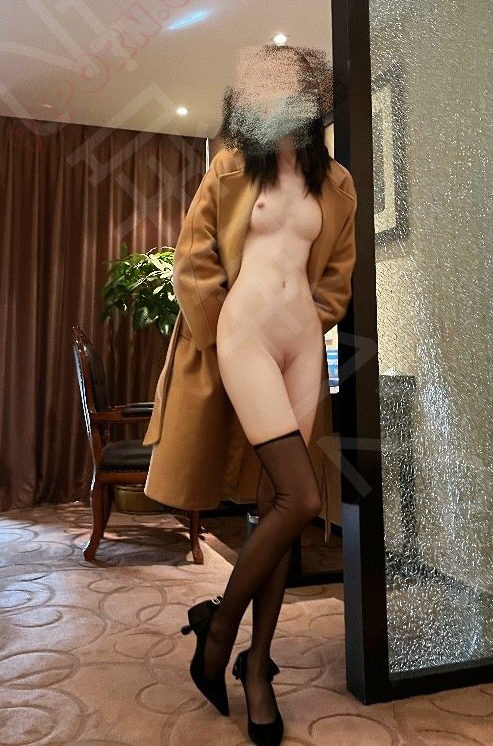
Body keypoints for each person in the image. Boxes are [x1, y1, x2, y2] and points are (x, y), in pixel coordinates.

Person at [178, 44, 358, 745]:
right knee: (302, 498)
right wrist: (219, 330)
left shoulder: (335, 182)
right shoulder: (230, 166)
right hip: (245, 333)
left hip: (302, 342)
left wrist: (314, 318)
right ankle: (222, 629)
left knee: (278, 505)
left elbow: (337, 272)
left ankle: (256, 667)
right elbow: (193, 259)